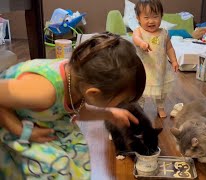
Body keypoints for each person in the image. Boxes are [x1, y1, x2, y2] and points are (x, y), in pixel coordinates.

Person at [0, 32, 146, 179]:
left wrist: (109, 114)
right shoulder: (44, 92)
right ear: (93, 93)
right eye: (120, 101)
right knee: (54, 166)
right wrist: (21, 131)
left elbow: (79, 110)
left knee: (78, 151)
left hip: (39, 117)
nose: (121, 105)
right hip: (9, 121)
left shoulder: (80, 80)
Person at [133, 0, 179, 118]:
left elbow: (169, 48)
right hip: (144, 69)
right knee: (141, 91)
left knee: (161, 91)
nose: (151, 21)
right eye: (146, 17)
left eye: (155, 16)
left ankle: (160, 107)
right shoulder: (139, 31)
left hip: (159, 69)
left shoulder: (164, 33)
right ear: (138, 18)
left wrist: (174, 60)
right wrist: (142, 43)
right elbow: (135, 38)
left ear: (161, 17)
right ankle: (139, 108)